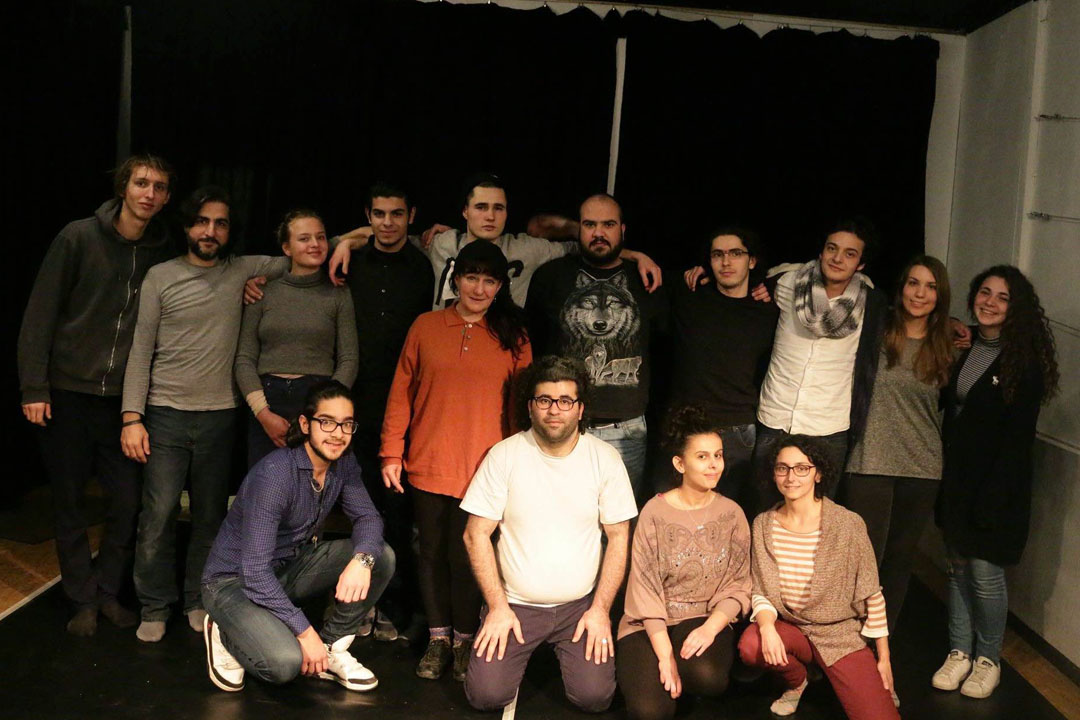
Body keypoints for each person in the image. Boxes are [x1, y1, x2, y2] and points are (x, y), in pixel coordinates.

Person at [121, 186, 289, 642]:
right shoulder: (160, 276)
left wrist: (352, 239)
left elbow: (304, 249)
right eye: (201, 221)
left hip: (220, 416)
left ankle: (198, 598)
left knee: (210, 516)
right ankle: (155, 605)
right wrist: (131, 417)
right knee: (158, 516)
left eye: (220, 223)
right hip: (164, 414)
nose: (210, 231)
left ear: (230, 231)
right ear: (186, 226)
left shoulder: (242, 270)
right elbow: (140, 351)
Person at [17, 154, 175, 636]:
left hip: (122, 404)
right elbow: (40, 313)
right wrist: (34, 386)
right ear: (123, 187)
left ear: (166, 198)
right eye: (141, 183)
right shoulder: (78, 237)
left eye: (159, 187)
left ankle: (106, 591)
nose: (149, 193)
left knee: (126, 502)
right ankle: (81, 598)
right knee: (69, 502)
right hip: (67, 392)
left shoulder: (162, 251)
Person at [380, 240, 532, 681]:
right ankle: (438, 638)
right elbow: (401, 391)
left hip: (486, 468)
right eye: (471, 277)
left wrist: (520, 464)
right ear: (456, 278)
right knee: (429, 552)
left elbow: (522, 407)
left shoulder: (514, 334)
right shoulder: (426, 326)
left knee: (468, 556)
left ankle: (466, 640)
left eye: (489, 281)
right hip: (428, 459)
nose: (479, 289)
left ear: (500, 286)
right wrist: (391, 451)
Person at [461, 355, 637, 712]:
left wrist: (600, 610)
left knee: (595, 698)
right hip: (516, 605)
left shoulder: (605, 458)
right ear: (530, 407)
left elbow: (619, 537)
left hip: (579, 608)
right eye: (545, 400)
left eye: (565, 401)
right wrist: (497, 606)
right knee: (485, 696)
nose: (554, 410)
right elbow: (474, 534)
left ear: (580, 409)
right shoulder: (503, 456)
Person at [201, 380, 394, 693]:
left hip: (286, 568)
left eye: (346, 424)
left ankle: (331, 648)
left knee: (380, 555)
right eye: (327, 422)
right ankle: (225, 631)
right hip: (233, 582)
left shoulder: (343, 463)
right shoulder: (276, 476)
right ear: (305, 425)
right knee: (285, 664)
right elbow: (254, 572)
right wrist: (305, 633)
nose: (338, 433)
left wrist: (362, 560)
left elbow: (368, 518)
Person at [932, 265, 1058, 699]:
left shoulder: (1025, 363)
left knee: (985, 575)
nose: (990, 302)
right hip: (957, 479)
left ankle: (988, 659)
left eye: (1002, 297)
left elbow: (1017, 442)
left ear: (1016, 308)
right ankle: (959, 652)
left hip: (996, 488)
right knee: (956, 570)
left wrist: (993, 498)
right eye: (985, 292)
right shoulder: (965, 345)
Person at [738, 435, 898, 719]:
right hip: (790, 627)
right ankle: (797, 681)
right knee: (752, 645)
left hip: (839, 634)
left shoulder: (848, 524)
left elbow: (871, 592)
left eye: (802, 468)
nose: (791, 477)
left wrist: (884, 659)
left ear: (818, 473)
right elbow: (761, 591)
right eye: (783, 468)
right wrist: (767, 628)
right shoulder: (763, 524)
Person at [329, 172, 662, 308]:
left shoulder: (527, 248)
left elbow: (591, 244)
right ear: (465, 211)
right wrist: (346, 242)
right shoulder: (442, 242)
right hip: (445, 349)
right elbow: (388, 233)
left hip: (499, 351)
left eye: (498, 208)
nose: (489, 216)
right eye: (481, 207)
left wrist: (635, 255)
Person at [526, 193, 668, 505]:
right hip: (562, 423)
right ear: (578, 229)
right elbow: (531, 348)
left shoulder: (646, 280)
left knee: (618, 520)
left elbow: (666, 350)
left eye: (608, 225)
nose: (599, 233)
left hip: (626, 428)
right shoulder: (551, 276)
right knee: (557, 515)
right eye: (590, 225)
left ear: (623, 230)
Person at [616, 405, 750, 720]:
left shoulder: (732, 513)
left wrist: (710, 629)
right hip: (649, 620)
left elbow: (739, 583)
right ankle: (668, 669)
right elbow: (645, 587)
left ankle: (687, 673)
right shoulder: (654, 512)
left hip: (704, 615)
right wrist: (665, 656)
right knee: (649, 712)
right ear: (680, 463)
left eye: (718, 455)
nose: (713, 465)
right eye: (702, 456)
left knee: (707, 676)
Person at [344, 182, 435, 642]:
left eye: (396, 214)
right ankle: (356, 604)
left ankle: (393, 607)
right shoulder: (350, 260)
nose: (387, 222)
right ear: (368, 215)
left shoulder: (424, 267)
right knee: (358, 508)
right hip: (354, 405)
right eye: (378, 214)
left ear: (411, 216)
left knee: (398, 513)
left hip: (407, 408)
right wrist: (344, 241)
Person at [845, 255, 954, 632]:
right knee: (862, 560)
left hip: (921, 468)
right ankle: (846, 642)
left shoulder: (949, 347)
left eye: (930, 286)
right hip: (868, 461)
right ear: (901, 287)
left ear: (940, 296)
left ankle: (880, 644)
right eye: (913, 283)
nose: (920, 293)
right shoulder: (874, 332)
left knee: (899, 561)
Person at [750, 219, 889, 486]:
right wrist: (705, 275)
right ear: (821, 251)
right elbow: (737, 285)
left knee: (820, 508)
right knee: (765, 505)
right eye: (832, 248)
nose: (837, 258)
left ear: (860, 264)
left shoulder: (871, 303)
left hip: (828, 427)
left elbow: (909, 321)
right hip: (775, 418)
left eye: (849, 254)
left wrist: (953, 325)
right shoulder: (786, 282)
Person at [234, 208, 358, 467]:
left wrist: (325, 412)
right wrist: (263, 413)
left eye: (320, 237)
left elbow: (349, 359)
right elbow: (244, 359)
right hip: (267, 400)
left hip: (318, 399)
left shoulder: (338, 292)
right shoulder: (262, 291)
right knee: (266, 482)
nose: (315, 244)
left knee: (313, 483)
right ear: (286, 248)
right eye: (304, 238)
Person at [668, 226, 778, 514]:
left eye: (736, 253)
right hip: (688, 427)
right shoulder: (689, 296)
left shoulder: (767, 311)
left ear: (751, 260)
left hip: (736, 429)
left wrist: (772, 283)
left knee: (726, 517)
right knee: (677, 516)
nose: (726, 262)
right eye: (718, 254)